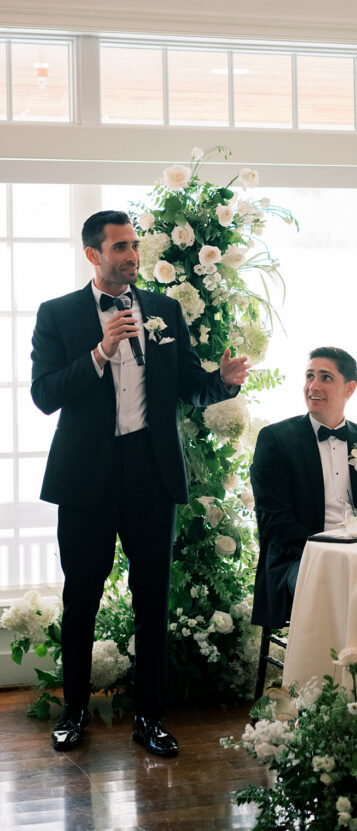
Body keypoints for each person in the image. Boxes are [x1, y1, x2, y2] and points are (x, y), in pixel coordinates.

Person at [30, 210, 250, 757]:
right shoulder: (57, 314)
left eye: (134, 246)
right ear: (93, 255)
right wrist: (100, 352)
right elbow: (44, 394)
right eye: (121, 247)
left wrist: (219, 384)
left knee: (152, 602)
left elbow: (186, 387)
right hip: (87, 481)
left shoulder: (164, 309)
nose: (132, 256)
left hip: (151, 478)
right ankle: (74, 710)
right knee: (80, 596)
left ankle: (150, 717)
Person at [250, 347, 357, 629]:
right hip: (300, 560)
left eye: (325, 378)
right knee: (340, 584)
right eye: (310, 376)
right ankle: (327, 671)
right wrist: (331, 547)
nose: (313, 386)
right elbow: (275, 524)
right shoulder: (275, 440)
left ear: (350, 388)